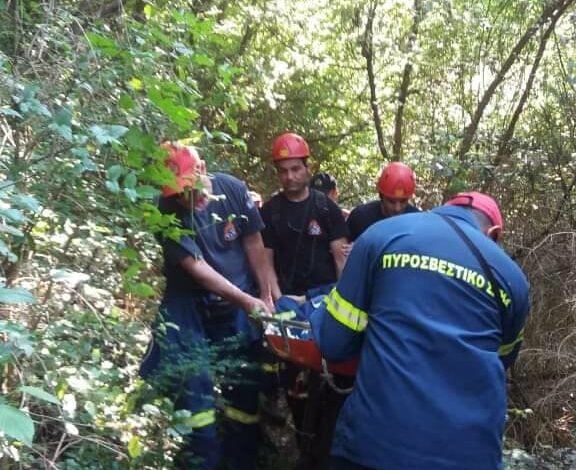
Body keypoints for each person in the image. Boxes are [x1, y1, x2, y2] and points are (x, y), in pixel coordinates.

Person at [310, 191, 531, 470]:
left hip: (377, 446)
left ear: (441, 210)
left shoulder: (383, 235)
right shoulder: (513, 279)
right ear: (495, 233)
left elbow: (333, 342)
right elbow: (502, 360)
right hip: (469, 455)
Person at [139, 142, 277, 470]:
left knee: (244, 386)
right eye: (178, 193)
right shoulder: (164, 210)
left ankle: (242, 458)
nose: (186, 198)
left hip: (239, 298)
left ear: (201, 170)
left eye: (189, 189)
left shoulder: (232, 190)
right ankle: (201, 458)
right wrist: (248, 301)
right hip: (188, 302)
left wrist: (266, 294)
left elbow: (254, 243)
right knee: (192, 390)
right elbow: (197, 269)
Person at [260, 132, 349, 469]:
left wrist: (343, 300)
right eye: (283, 171)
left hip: (323, 302)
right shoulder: (270, 211)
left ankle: (324, 449)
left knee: (328, 381)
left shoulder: (326, 208)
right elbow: (265, 259)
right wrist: (276, 297)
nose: (290, 177)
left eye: (295, 169)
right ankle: (301, 445)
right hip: (288, 305)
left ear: (307, 168)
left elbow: (340, 257)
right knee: (291, 381)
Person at [347, 161, 419, 241]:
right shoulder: (360, 217)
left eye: (403, 201)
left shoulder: (416, 220)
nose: (397, 208)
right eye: (391, 201)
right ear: (381, 196)